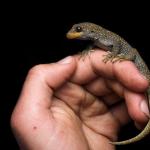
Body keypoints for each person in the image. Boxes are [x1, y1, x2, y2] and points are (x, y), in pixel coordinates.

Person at [11, 50, 149, 150]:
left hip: (132, 59)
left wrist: (114, 55)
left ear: (91, 31)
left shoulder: (106, 36)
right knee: (136, 83)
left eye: (78, 30)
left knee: (139, 82)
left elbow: (121, 48)